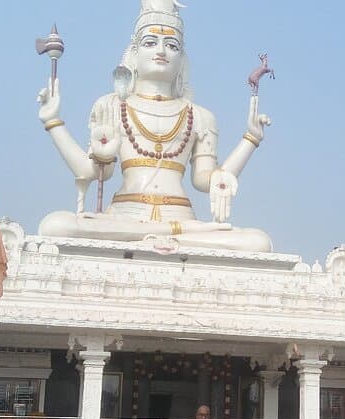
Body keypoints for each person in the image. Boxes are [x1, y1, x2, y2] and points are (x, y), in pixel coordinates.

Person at [36, 0, 272, 253]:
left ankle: (160, 237)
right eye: (150, 42)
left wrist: (250, 139)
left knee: (258, 242)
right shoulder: (112, 105)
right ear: (134, 54)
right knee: (55, 224)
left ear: (182, 60)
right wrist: (53, 121)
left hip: (180, 221)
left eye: (172, 45)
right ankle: (156, 238)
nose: (162, 51)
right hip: (125, 218)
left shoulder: (200, 116)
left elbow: (206, 179)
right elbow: (92, 171)